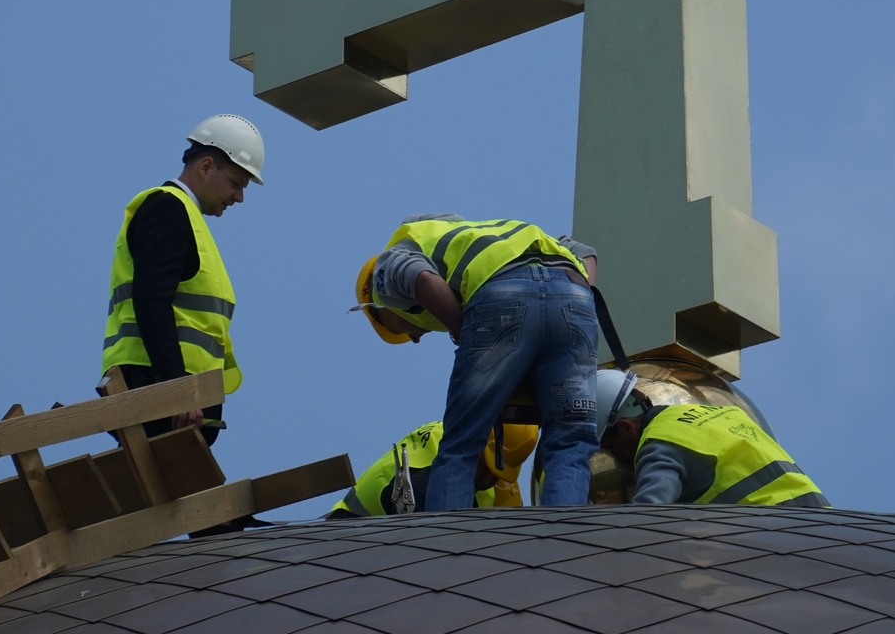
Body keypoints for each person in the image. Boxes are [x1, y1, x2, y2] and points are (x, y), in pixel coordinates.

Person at [352, 217, 601, 508]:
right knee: (572, 441)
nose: (414, 336)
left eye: (396, 329)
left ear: (378, 306)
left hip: (502, 294)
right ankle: (563, 539)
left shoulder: (385, 267)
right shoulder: (484, 235)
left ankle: (447, 542)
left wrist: (464, 332)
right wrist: (578, 298)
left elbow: (422, 279)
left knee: (461, 444)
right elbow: (584, 252)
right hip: (574, 293)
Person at [99, 115, 264, 447]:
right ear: (206, 167)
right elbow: (152, 301)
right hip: (158, 394)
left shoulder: (185, 217)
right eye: (236, 182)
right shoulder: (168, 208)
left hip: (169, 397)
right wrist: (178, 391)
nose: (239, 197)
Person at [588, 368, 830, 507]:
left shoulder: (660, 446)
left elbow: (648, 513)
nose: (616, 459)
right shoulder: (722, 412)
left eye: (609, 448)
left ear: (626, 428)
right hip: (822, 521)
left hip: (772, 532)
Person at [327, 421, 537, 518]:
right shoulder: (425, 485)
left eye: (498, 472)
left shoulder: (487, 451)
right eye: (485, 466)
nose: (488, 477)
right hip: (345, 542)